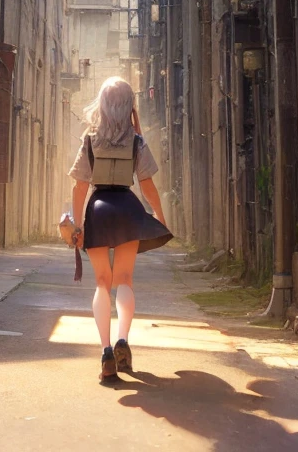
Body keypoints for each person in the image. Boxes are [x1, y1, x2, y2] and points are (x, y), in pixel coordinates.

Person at [68, 76, 172, 381]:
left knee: (102, 281)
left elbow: (79, 187)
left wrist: (77, 225)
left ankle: (105, 352)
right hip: (128, 209)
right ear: (129, 105)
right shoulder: (137, 142)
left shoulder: (90, 139)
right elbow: (148, 184)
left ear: (102, 104)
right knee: (124, 279)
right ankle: (123, 339)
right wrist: (159, 214)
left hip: (98, 211)